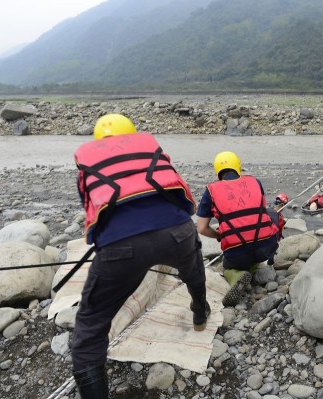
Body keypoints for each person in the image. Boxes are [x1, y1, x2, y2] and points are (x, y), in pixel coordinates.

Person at [71, 114, 209, 398]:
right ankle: (199, 312)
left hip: (122, 247)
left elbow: (93, 214)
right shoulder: (152, 151)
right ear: (131, 135)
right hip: (177, 232)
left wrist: (105, 249)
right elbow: (182, 198)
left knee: (90, 324)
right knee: (193, 270)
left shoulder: (88, 164)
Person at [196, 151, 279, 307]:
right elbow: (260, 213)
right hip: (266, 248)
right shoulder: (255, 182)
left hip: (236, 255)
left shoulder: (211, 190)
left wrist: (220, 235)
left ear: (217, 171)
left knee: (227, 266)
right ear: (238, 167)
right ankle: (256, 265)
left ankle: (237, 275)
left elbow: (201, 228)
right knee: (271, 213)